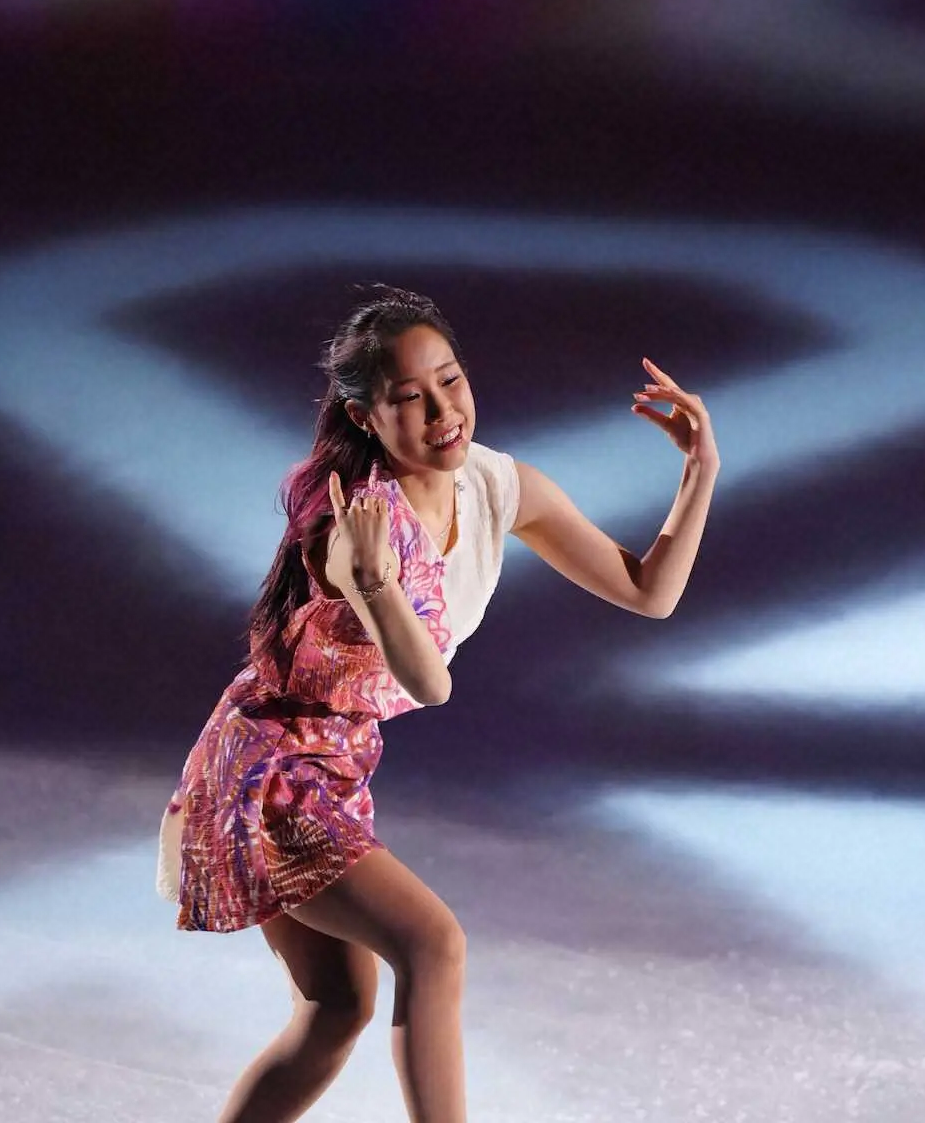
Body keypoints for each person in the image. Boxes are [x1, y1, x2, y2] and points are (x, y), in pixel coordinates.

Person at [157, 285, 720, 1123]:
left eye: (449, 381)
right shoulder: (350, 524)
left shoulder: (496, 485)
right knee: (432, 944)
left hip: (335, 760)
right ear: (363, 416)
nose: (442, 412)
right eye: (408, 399)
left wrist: (698, 469)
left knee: (334, 1010)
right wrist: (377, 585)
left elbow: (648, 592)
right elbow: (429, 682)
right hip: (272, 770)